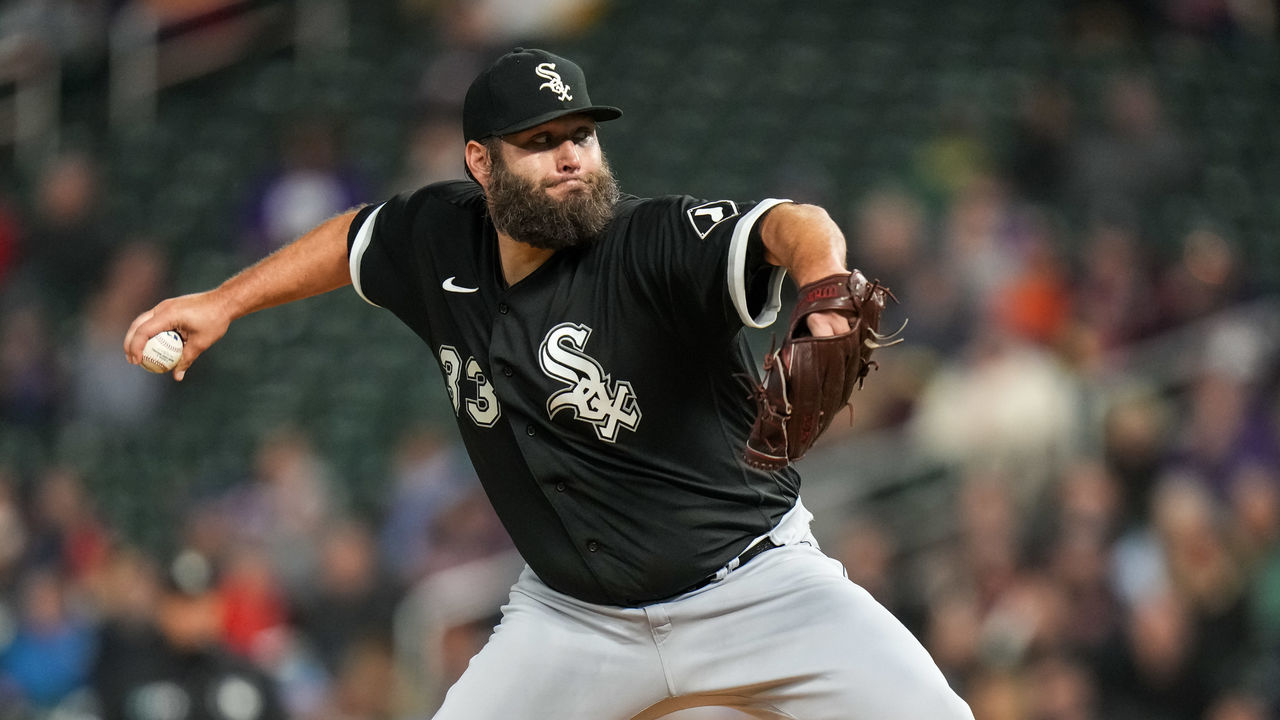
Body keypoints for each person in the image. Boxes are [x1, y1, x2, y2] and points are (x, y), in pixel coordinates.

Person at [125, 48, 973, 720]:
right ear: (480, 164)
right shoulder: (437, 237)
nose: (571, 157)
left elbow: (792, 224)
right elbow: (355, 238)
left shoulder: (653, 240)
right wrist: (224, 302)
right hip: (575, 621)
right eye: (540, 142)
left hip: (754, 587)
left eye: (582, 135)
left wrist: (825, 283)